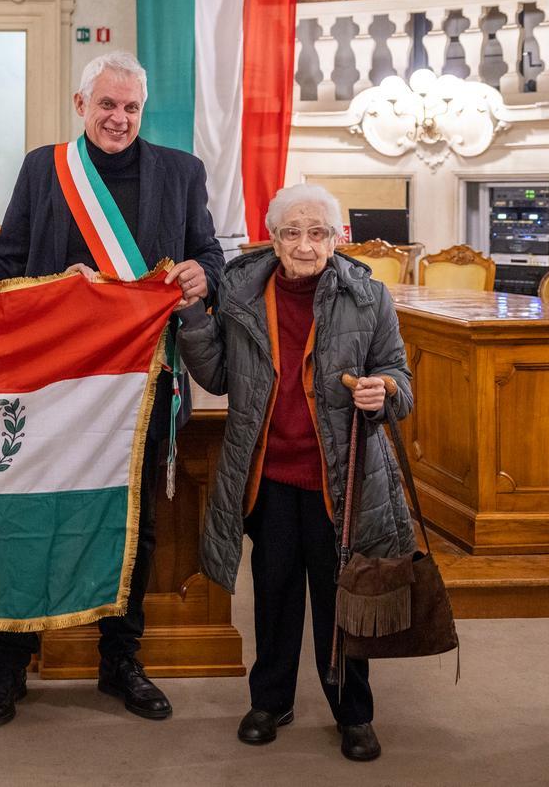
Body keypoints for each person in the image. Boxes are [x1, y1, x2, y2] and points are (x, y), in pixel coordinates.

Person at [0, 50, 224, 726]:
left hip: (144, 387)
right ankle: (10, 661)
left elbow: (211, 254)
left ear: (143, 110)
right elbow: (8, 260)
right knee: (30, 520)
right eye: (106, 105)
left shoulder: (181, 171)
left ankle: (120, 661)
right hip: (52, 386)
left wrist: (204, 272)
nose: (118, 118)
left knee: (131, 528)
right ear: (81, 105)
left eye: (131, 107)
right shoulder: (44, 168)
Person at [176, 183, 417, 763]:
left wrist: (382, 391)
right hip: (269, 475)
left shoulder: (368, 295)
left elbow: (400, 382)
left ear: (338, 238)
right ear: (273, 237)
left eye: (317, 233)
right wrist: (190, 316)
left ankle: (353, 713)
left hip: (341, 478)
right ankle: (269, 702)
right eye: (291, 232)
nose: (305, 246)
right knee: (275, 593)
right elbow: (217, 377)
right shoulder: (239, 289)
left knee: (342, 601)